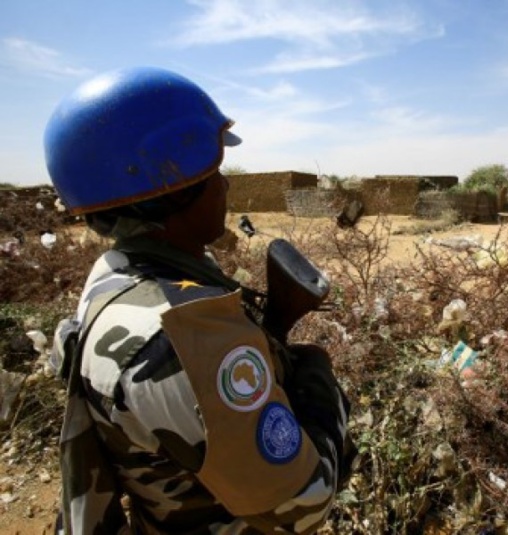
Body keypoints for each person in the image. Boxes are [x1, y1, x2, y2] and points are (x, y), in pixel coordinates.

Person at [46, 66, 354, 534]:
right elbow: (304, 503)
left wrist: (273, 324)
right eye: (214, 173)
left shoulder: (112, 278)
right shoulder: (178, 335)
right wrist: (316, 371)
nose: (226, 186)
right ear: (172, 185)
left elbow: (196, 410)